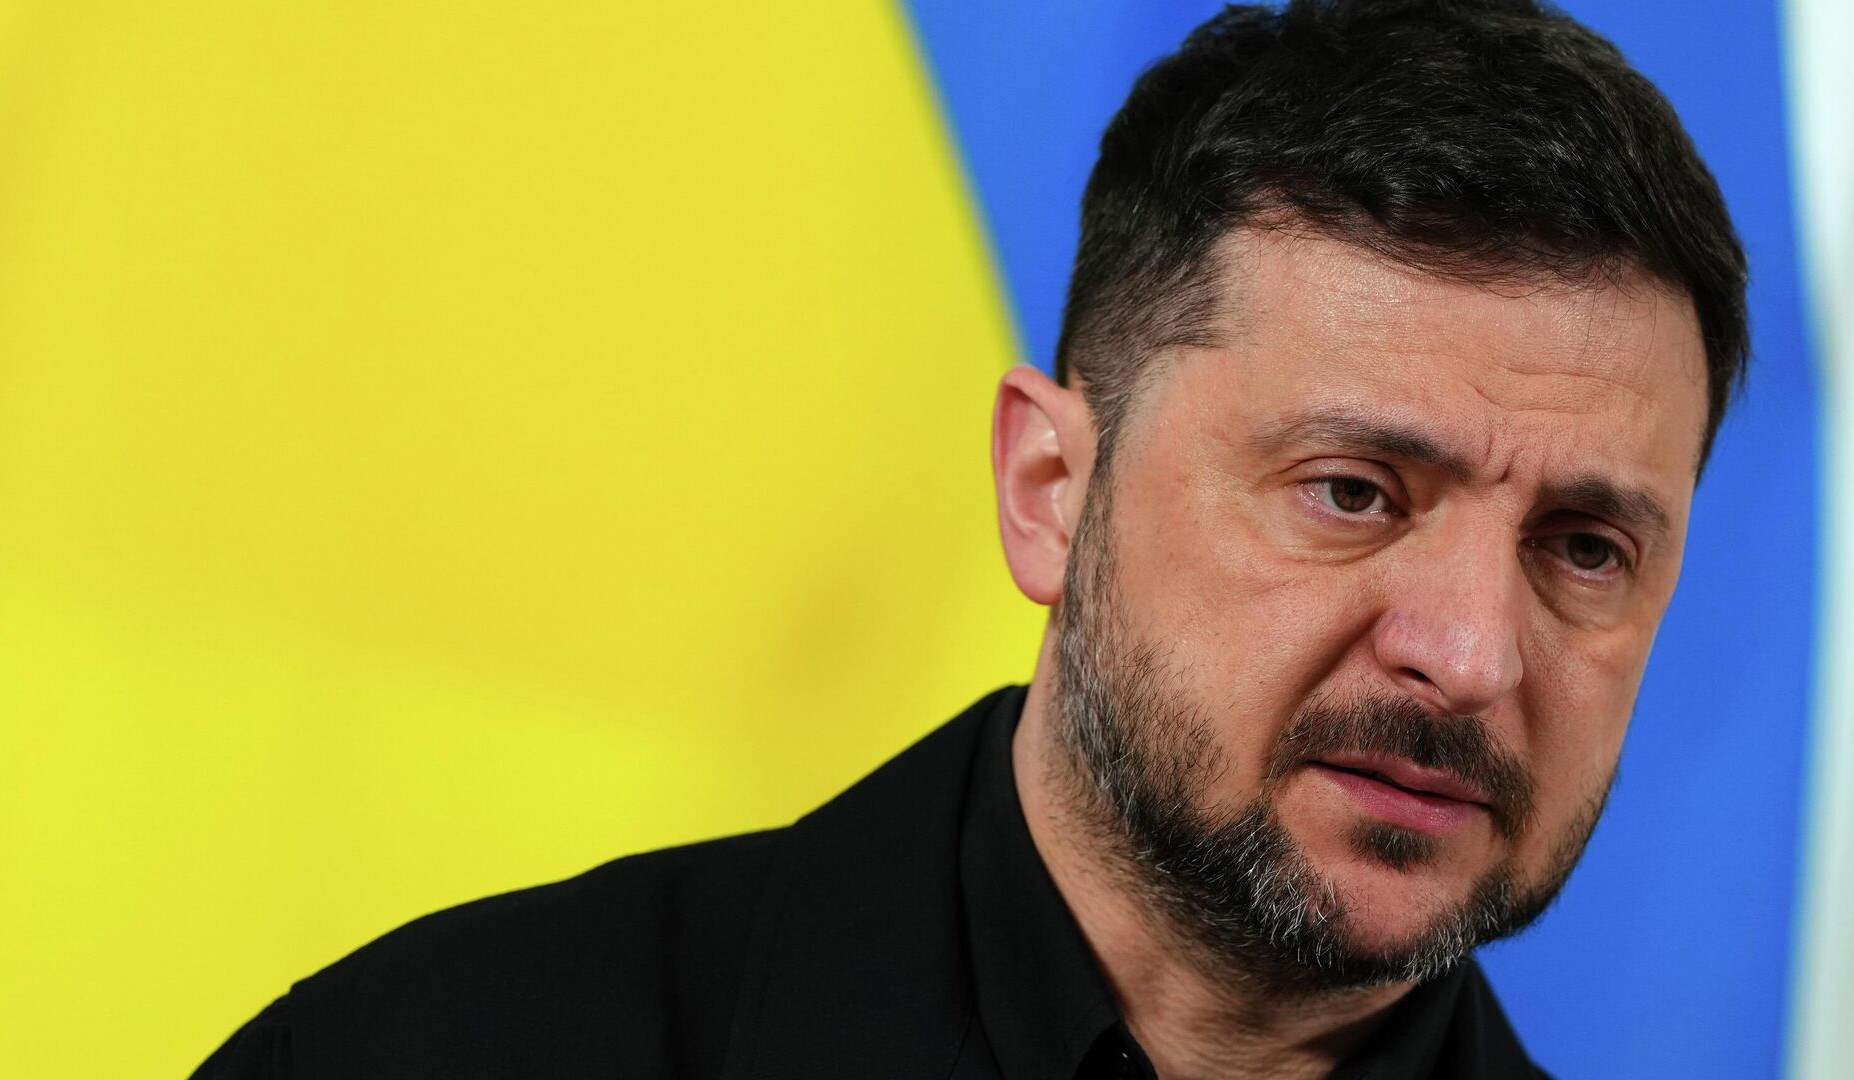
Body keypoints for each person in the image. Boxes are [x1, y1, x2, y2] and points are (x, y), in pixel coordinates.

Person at [192, 1, 1747, 1077]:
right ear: (1049, 490)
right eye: (1351, 492)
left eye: (1582, 548)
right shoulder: (417, 1054)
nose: (1467, 654)